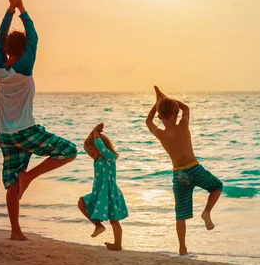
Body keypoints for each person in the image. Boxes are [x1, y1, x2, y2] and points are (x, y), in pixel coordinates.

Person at [0, 0, 77, 240]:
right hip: (25, 131)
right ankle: (29, 176)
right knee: (69, 151)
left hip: (5, 135)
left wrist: (9, 11)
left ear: (7, 49)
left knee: (11, 182)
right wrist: (21, 8)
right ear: (23, 50)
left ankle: (15, 231)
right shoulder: (25, 66)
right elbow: (34, 38)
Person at [146, 86, 223, 255]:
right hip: (194, 168)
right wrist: (167, 98)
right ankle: (206, 212)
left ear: (160, 117)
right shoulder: (183, 125)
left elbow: (148, 122)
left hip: (179, 174)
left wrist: (156, 103)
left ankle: (182, 248)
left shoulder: (161, 133)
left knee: (180, 214)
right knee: (217, 186)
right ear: (176, 114)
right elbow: (186, 108)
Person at [78, 123, 128, 251]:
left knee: (114, 220)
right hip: (98, 193)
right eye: (87, 151)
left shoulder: (110, 158)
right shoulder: (97, 160)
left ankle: (118, 244)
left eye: (91, 149)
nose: (89, 153)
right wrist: (93, 132)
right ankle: (98, 225)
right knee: (81, 203)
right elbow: (94, 144)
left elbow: (101, 146)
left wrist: (95, 133)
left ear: (101, 147)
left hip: (110, 193)